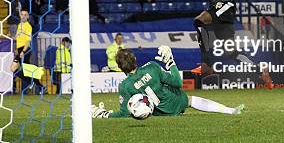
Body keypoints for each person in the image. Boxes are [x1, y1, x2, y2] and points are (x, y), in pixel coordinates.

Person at [91, 47, 244, 118]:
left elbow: (125, 113)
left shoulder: (125, 86)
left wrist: (105, 114)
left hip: (160, 113)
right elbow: (178, 82)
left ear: (119, 67)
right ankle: (229, 110)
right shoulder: (151, 67)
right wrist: (171, 62)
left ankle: (229, 111)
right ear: (135, 59)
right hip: (175, 101)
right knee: (190, 100)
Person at [11, 9, 32, 76]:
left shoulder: (28, 26)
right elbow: (17, 38)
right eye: (22, 14)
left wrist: (23, 51)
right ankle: (34, 83)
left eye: (25, 15)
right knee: (26, 70)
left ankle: (34, 83)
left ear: (28, 16)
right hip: (20, 49)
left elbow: (28, 41)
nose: (23, 16)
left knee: (13, 68)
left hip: (25, 49)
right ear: (20, 15)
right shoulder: (20, 25)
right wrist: (10, 37)